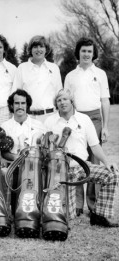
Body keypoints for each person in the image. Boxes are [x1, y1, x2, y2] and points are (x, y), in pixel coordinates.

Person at [44, 89, 118, 227]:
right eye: (59, 100)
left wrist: (107, 162)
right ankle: (67, 211)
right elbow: (45, 149)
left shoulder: (84, 119)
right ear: (56, 104)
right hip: (62, 171)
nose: (62, 102)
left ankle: (98, 216)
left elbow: (95, 146)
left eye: (65, 99)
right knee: (69, 217)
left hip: (83, 166)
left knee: (111, 175)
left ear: (72, 101)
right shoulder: (50, 121)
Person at [64, 37, 111, 215]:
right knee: (76, 159)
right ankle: (76, 206)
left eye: (89, 51)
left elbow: (105, 101)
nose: (86, 54)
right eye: (83, 50)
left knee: (93, 161)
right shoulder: (70, 76)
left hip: (94, 117)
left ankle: (93, 205)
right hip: (76, 117)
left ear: (94, 54)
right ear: (78, 52)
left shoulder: (100, 74)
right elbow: (66, 100)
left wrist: (105, 126)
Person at [12, 35, 62, 122]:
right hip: (28, 118)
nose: (38, 50)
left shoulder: (54, 68)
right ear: (31, 50)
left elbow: (59, 93)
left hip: (51, 117)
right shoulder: (22, 68)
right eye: (35, 47)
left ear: (46, 49)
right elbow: (15, 95)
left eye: (41, 46)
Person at [1, 89, 46, 161]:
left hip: (35, 168)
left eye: (23, 103)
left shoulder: (39, 125)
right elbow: (3, 153)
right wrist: (15, 158)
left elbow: (45, 150)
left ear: (27, 105)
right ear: (11, 105)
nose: (20, 106)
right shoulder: (5, 127)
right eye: (16, 103)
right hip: (13, 167)